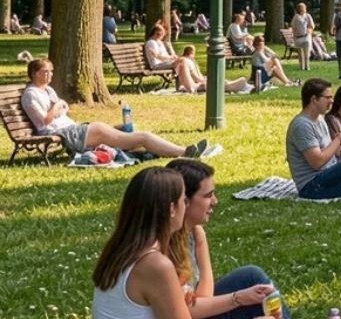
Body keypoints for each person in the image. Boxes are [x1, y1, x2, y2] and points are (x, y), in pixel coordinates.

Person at [165, 158, 292, 318]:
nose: (215, 201)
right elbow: (185, 312)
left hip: (197, 307)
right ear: (185, 201)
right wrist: (238, 298)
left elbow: (205, 297)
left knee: (252, 278)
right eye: (208, 195)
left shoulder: (195, 233)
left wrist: (240, 297)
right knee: (251, 290)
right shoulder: (160, 251)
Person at [22, 58, 207, 159]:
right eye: (44, 72)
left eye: (51, 71)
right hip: (69, 133)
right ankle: (184, 152)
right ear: (33, 74)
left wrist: (58, 107)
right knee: (140, 137)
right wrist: (56, 106)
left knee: (129, 133)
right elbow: (45, 121)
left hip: (76, 128)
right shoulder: (31, 94)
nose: (49, 75)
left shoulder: (47, 90)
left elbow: (65, 107)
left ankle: (173, 150)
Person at [92, 168, 216, 319]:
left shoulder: (121, 249)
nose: (186, 206)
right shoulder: (155, 264)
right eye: (184, 201)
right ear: (171, 209)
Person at [176, 45, 252, 95]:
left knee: (226, 82)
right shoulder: (187, 63)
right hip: (202, 84)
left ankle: (247, 86)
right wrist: (204, 80)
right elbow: (197, 79)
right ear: (190, 54)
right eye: (193, 54)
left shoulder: (190, 63)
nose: (193, 56)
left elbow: (198, 77)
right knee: (228, 83)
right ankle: (246, 86)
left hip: (202, 83)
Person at [289, 3, 315, 71]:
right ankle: (301, 66)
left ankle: (307, 65)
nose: (303, 9)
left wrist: (309, 30)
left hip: (306, 36)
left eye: (304, 8)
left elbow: (312, 26)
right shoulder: (296, 17)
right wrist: (293, 34)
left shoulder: (308, 16)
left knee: (306, 51)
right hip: (298, 37)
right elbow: (293, 27)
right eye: (301, 8)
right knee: (300, 52)